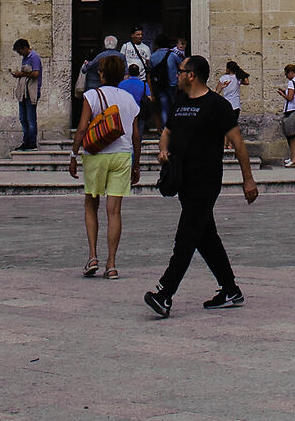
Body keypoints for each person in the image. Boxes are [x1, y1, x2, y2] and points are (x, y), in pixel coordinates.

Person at [145, 55, 257, 318]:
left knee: (185, 237)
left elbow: (238, 143)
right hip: (183, 179)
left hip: (205, 181)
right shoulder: (180, 102)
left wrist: (248, 179)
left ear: (191, 75)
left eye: (181, 71)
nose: (177, 75)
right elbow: (168, 132)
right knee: (205, 237)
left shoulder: (217, 105)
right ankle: (231, 290)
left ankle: (164, 293)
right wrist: (163, 150)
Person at [69, 53, 142, 278]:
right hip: (122, 155)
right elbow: (136, 135)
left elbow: (82, 129)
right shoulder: (129, 99)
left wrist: (73, 154)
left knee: (91, 204)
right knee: (115, 211)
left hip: (96, 154)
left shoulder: (93, 95)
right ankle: (111, 264)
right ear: (122, 76)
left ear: (101, 75)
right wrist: (136, 164)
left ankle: (92, 256)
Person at [12, 38, 44, 149]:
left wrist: (22, 74)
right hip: (24, 91)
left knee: (30, 118)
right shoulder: (25, 58)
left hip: (31, 91)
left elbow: (35, 73)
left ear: (25, 48)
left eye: (20, 51)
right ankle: (26, 140)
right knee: (23, 118)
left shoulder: (34, 57)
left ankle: (31, 142)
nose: (19, 53)